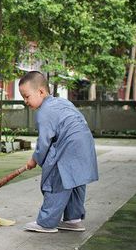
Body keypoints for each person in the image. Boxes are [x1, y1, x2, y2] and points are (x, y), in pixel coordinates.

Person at [18, 71, 98, 233]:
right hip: (85, 143)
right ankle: (73, 220)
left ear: (41, 91)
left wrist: (34, 159)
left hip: (69, 145)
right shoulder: (62, 102)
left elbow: (44, 141)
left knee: (56, 180)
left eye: (27, 96)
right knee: (75, 181)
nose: (25, 101)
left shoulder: (44, 112)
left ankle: (46, 222)